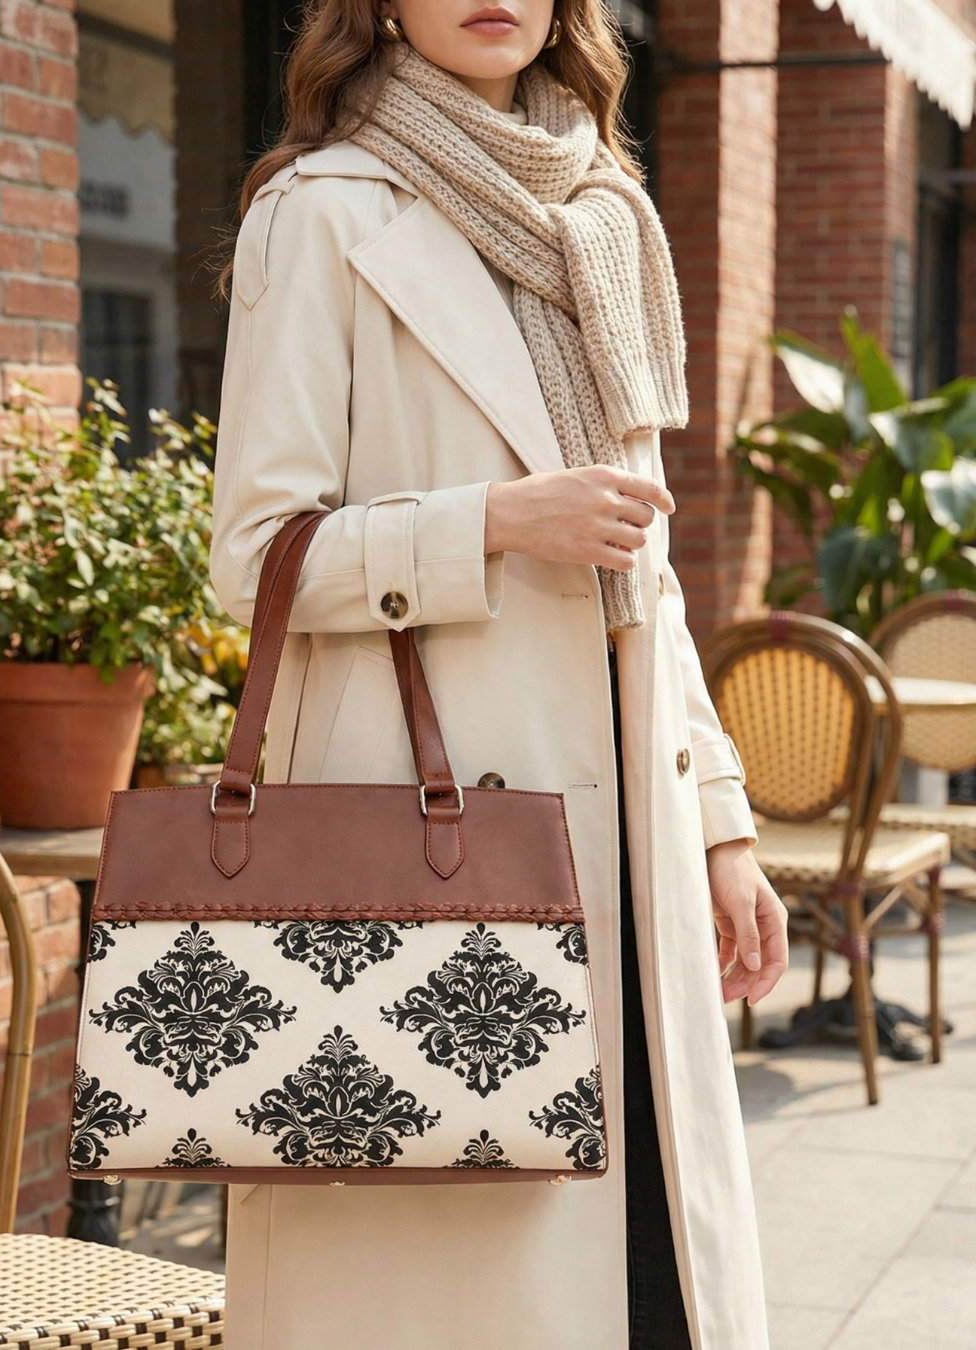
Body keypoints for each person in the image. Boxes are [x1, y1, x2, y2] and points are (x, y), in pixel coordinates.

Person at [210, 2, 788, 1346]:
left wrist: (721, 817)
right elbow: (254, 557)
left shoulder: (601, 212)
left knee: (652, 1284)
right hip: (436, 846)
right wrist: (487, 524)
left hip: (627, 847)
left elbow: (641, 566)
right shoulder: (320, 214)